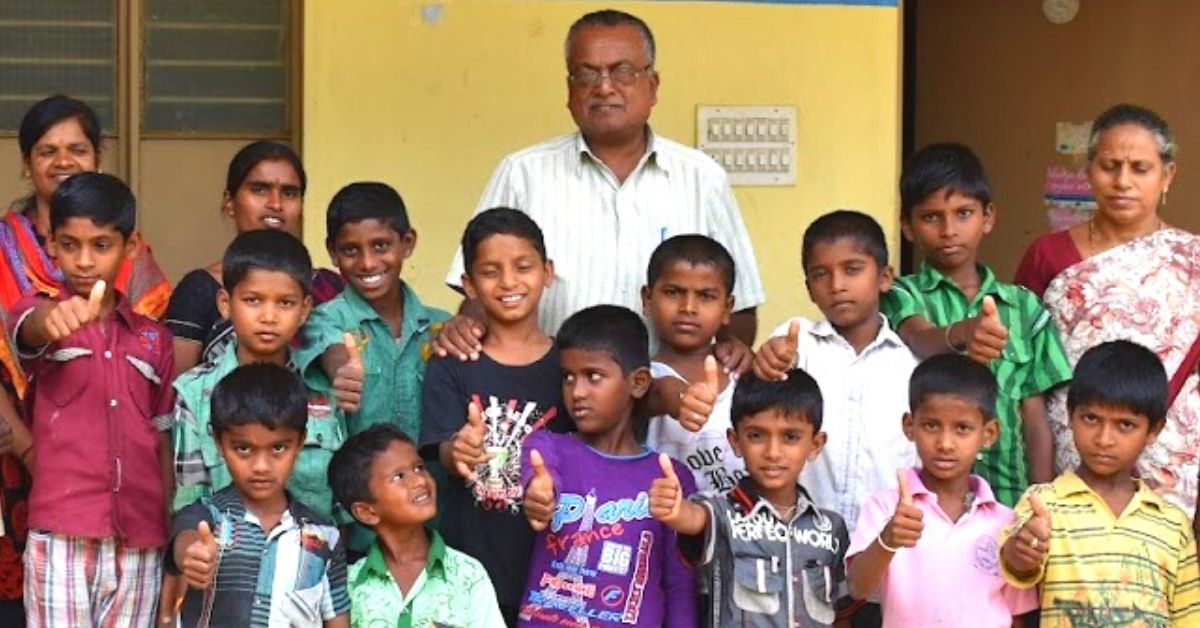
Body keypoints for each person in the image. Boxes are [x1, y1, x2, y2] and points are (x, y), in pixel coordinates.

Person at [435, 9, 764, 375]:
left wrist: (731, 349)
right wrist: (464, 325)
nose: (604, 87)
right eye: (586, 74)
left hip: (674, 410)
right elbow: (481, 293)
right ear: (569, 90)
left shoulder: (703, 178)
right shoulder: (522, 173)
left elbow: (742, 308)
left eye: (623, 71)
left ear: (653, 86)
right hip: (551, 396)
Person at [1013, 104, 1200, 515]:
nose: (1122, 182)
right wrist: (1041, 486)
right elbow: (1024, 372)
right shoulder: (1048, 255)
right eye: (1110, 166)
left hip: (1175, 472)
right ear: (1089, 171)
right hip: (1073, 458)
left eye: (1140, 168)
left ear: (1167, 175)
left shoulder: (1193, 260)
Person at [9, 173, 174, 627]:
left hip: (140, 540)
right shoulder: (34, 311)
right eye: (69, 245)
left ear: (131, 246)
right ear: (50, 243)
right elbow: (29, 329)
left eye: (101, 245)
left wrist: (167, 528)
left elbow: (163, 442)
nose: (84, 261)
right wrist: (53, 319)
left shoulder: (153, 340)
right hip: (62, 533)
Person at [882, 144, 1072, 507]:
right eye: (931, 217)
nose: (949, 229)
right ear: (907, 225)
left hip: (1009, 496)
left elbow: (1035, 414)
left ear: (988, 217)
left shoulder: (1024, 307)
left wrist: (1041, 498)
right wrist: (961, 334)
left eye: (963, 213)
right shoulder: (900, 293)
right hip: (929, 504)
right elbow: (918, 337)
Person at [420, 208, 570, 625]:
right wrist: (460, 449)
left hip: (555, 574)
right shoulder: (451, 362)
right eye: (490, 271)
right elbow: (443, 452)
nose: (508, 282)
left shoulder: (568, 366)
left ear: (547, 272)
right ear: (468, 284)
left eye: (523, 267)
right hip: (470, 575)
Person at [520, 305, 697, 626]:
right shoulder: (548, 448)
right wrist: (539, 493)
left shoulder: (670, 477)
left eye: (594, 376)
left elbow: (679, 585)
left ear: (639, 382)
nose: (577, 392)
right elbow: (539, 474)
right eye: (567, 377)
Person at [1000, 340, 1200, 625]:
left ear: (1154, 430)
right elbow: (1017, 569)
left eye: (1125, 425)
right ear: (1070, 416)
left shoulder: (1173, 524)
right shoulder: (1042, 504)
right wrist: (1022, 550)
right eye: (1091, 419)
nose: (1104, 439)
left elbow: (1188, 617)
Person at [753, 210, 917, 533]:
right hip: (799, 542)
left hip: (882, 548)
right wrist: (769, 360)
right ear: (809, 287)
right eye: (820, 274)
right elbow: (768, 366)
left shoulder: (910, 364)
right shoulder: (797, 343)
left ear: (885, 277)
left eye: (852, 269)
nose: (837, 285)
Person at [845, 354, 1036, 627]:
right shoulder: (886, 508)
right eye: (931, 425)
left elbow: (1016, 615)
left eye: (962, 428)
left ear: (989, 433)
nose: (945, 443)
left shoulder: (1005, 522)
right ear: (909, 426)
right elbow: (857, 588)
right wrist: (888, 539)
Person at [649, 369, 849, 626]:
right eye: (756, 435)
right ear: (735, 441)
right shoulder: (722, 514)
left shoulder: (832, 529)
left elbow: (841, 614)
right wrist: (675, 510)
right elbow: (694, 518)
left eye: (790, 437)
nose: (773, 452)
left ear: (815, 444)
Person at [171, 229, 344, 520]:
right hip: (227, 560)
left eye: (285, 303)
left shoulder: (325, 394)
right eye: (253, 300)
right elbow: (189, 508)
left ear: (305, 310)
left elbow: (339, 512)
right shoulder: (194, 394)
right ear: (226, 304)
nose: (268, 316)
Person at [168, 364, 350, 627]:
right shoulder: (205, 517)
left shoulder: (323, 538)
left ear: (300, 442)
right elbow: (186, 541)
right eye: (243, 448)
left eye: (278, 448)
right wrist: (193, 555)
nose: (261, 466)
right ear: (219, 443)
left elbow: (337, 618)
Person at [164, 140, 343, 374]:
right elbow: (178, 390)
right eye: (259, 189)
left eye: (289, 193)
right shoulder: (199, 289)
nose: (276, 204)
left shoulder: (326, 286)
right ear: (229, 203)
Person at [298, 182, 448, 439]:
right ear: (332, 252)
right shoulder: (322, 319)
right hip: (356, 478)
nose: (367, 263)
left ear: (407, 243)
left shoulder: (442, 327)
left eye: (380, 246)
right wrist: (343, 373)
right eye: (350, 250)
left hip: (430, 479)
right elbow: (333, 349)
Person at [328, 423, 506, 628]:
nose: (419, 480)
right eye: (399, 476)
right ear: (367, 512)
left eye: (419, 467)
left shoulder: (469, 575)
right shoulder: (350, 586)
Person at [641, 235, 743, 494]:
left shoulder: (741, 374)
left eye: (706, 296)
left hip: (737, 530)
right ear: (647, 299)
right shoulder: (640, 379)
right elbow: (653, 395)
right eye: (673, 292)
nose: (688, 307)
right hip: (664, 530)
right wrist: (673, 395)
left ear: (727, 308)